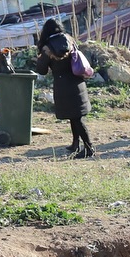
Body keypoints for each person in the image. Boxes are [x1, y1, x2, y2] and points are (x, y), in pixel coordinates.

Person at [32, 18, 93, 159]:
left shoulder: (47, 48)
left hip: (63, 86)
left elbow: (41, 70)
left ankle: (89, 148)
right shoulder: (69, 40)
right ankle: (75, 144)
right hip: (78, 83)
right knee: (75, 117)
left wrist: (40, 59)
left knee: (77, 119)